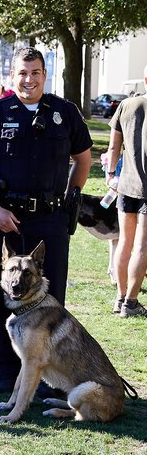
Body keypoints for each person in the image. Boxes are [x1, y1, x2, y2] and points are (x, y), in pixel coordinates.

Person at [0, 46, 92, 392]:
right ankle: (6, 372)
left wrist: (71, 196)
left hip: (50, 220)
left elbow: (83, 158)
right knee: (3, 294)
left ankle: (50, 374)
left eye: (35, 72)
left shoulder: (65, 113)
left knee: (51, 299)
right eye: (22, 72)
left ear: (44, 75)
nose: (29, 79)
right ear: (13, 76)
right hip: (5, 219)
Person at [105, 63, 147, 318]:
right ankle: (131, 302)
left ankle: (120, 298)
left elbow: (113, 148)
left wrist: (111, 175)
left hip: (126, 186)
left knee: (124, 243)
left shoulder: (126, 105)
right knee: (142, 246)